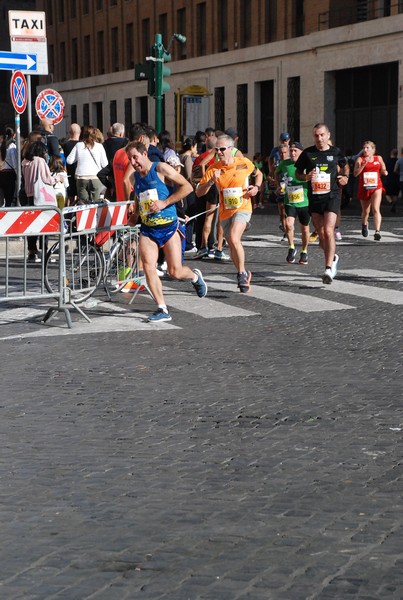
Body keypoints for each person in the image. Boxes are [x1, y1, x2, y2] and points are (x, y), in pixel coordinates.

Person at [125, 141, 207, 322]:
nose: (133, 162)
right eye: (130, 159)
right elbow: (140, 198)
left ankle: (194, 277)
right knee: (148, 267)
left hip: (169, 227)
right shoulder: (134, 178)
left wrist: (164, 203)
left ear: (144, 154)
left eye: (135, 157)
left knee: (175, 272)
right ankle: (162, 308)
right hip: (148, 229)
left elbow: (187, 187)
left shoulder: (161, 169)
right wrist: (135, 215)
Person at [196, 133, 263, 293]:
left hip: (243, 207)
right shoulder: (214, 169)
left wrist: (257, 188)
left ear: (231, 149)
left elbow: (258, 174)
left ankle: (241, 274)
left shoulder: (244, 163)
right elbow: (199, 192)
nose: (218, 152)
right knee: (232, 244)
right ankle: (244, 272)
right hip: (226, 212)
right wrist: (212, 181)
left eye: (222, 149)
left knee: (233, 237)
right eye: (216, 149)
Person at [295, 123, 349, 284]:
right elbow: (298, 173)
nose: (319, 138)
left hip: (332, 196)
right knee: (322, 237)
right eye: (316, 136)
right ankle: (333, 257)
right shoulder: (308, 153)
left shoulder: (336, 152)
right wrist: (305, 177)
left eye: (322, 135)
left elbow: (345, 166)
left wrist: (345, 177)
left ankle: (328, 269)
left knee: (328, 230)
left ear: (328, 135)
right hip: (315, 198)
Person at [22, 141, 62, 262]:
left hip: (29, 195)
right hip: (40, 196)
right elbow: (47, 179)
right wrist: (58, 178)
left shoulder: (25, 162)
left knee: (32, 226)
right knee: (44, 225)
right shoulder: (40, 161)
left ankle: (32, 252)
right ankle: (44, 252)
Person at [275, 141, 310, 265]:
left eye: (296, 151)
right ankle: (291, 247)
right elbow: (276, 172)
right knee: (289, 224)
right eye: (291, 151)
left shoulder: (306, 164)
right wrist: (278, 186)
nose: (293, 153)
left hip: (304, 201)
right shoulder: (284, 163)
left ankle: (304, 251)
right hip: (289, 200)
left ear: (301, 152)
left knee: (305, 229)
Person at [354, 141, 387, 241]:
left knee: (376, 209)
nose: (365, 150)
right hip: (364, 187)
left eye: (367, 148)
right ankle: (364, 224)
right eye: (364, 148)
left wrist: (384, 171)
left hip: (376, 186)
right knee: (365, 211)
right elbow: (355, 173)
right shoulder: (360, 159)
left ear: (373, 150)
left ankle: (377, 231)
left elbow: (383, 167)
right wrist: (363, 165)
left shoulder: (378, 158)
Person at [66, 126, 108, 204]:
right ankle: (95, 215)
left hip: (81, 178)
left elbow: (69, 161)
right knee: (96, 203)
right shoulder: (99, 146)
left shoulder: (79, 145)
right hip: (95, 177)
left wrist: (79, 158)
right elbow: (105, 164)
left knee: (84, 204)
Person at [99, 122, 127, 199]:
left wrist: (109, 185)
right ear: (121, 134)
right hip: (122, 172)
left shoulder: (104, 144)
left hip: (109, 173)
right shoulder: (125, 143)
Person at [62, 123, 81, 204]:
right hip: (80, 173)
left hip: (69, 173)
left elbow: (64, 160)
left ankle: (69, 213)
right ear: (79, 133)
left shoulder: (66, 145)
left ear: (70, 133)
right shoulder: (82, 145)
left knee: (70, 196)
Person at [0, 127, 17, 207]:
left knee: (1, 199)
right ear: (13, 135)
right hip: (10, 175)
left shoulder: (1, 145)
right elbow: (14, 163)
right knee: (9, 199)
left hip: (1, 173)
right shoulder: (12, 146)